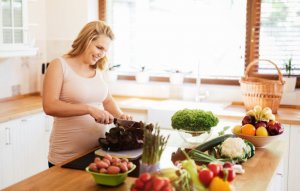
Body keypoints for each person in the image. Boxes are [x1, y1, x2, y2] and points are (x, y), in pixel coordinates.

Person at [43, 20, 132, 167]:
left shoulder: (98, 69)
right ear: (87, 40)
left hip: (99, 154)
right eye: (99, 47)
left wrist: (120, 116)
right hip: (67, 157)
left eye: (105, 50)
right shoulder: (59, 65)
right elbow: (50, 106)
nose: (102, 54)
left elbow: (107, 101)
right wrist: (89, 109)